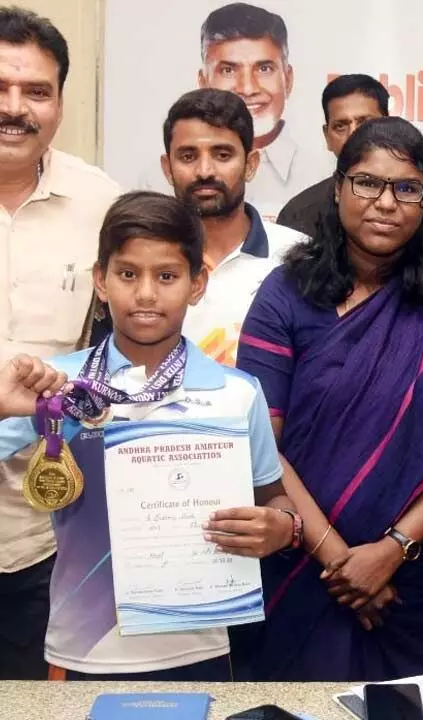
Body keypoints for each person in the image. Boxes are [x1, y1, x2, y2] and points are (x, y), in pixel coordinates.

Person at [233, 116, 423, 681]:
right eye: (367, 183)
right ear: (337, 188)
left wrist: (393, 548)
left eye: (406, 188)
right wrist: (341, 562)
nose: (385, 202)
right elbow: (262, 445)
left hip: (420, 579)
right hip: (302, 566)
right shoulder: (287, 292)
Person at [0, 190, 298, 680]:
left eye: (166, 276)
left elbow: (276, 499)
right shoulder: (58, 386)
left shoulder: (237, 393)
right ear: (100, 280)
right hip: (83, 648)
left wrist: (282, 529)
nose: (145, 294)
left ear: (197, 283)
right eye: (127, 274)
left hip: (202, 645)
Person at [0, 7, 120, 681]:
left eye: (36, 91)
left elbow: (123, 351)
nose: (15, 108)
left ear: (61, 102)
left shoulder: (100, 203)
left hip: (40, 536)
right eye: (0, 87)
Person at [160, 89, 304, 365]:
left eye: (222, 155)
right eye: (188, 156)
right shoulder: (144, 260)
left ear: (251, 164)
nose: (205, 171)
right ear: (167, 168)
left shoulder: (300, 257)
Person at [196, 3, 324, 218]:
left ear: (288, 79)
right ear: (203, 82)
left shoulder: (323, 177)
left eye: (264, 69)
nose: (247, 88)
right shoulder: (161, 181)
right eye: (228, 70)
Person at [276, 74, 389, 239]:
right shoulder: (299, 214)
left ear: (390, 126)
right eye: (340, 126)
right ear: (327, 136)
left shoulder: (422, 208)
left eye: (364, 123)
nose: (353, 136)